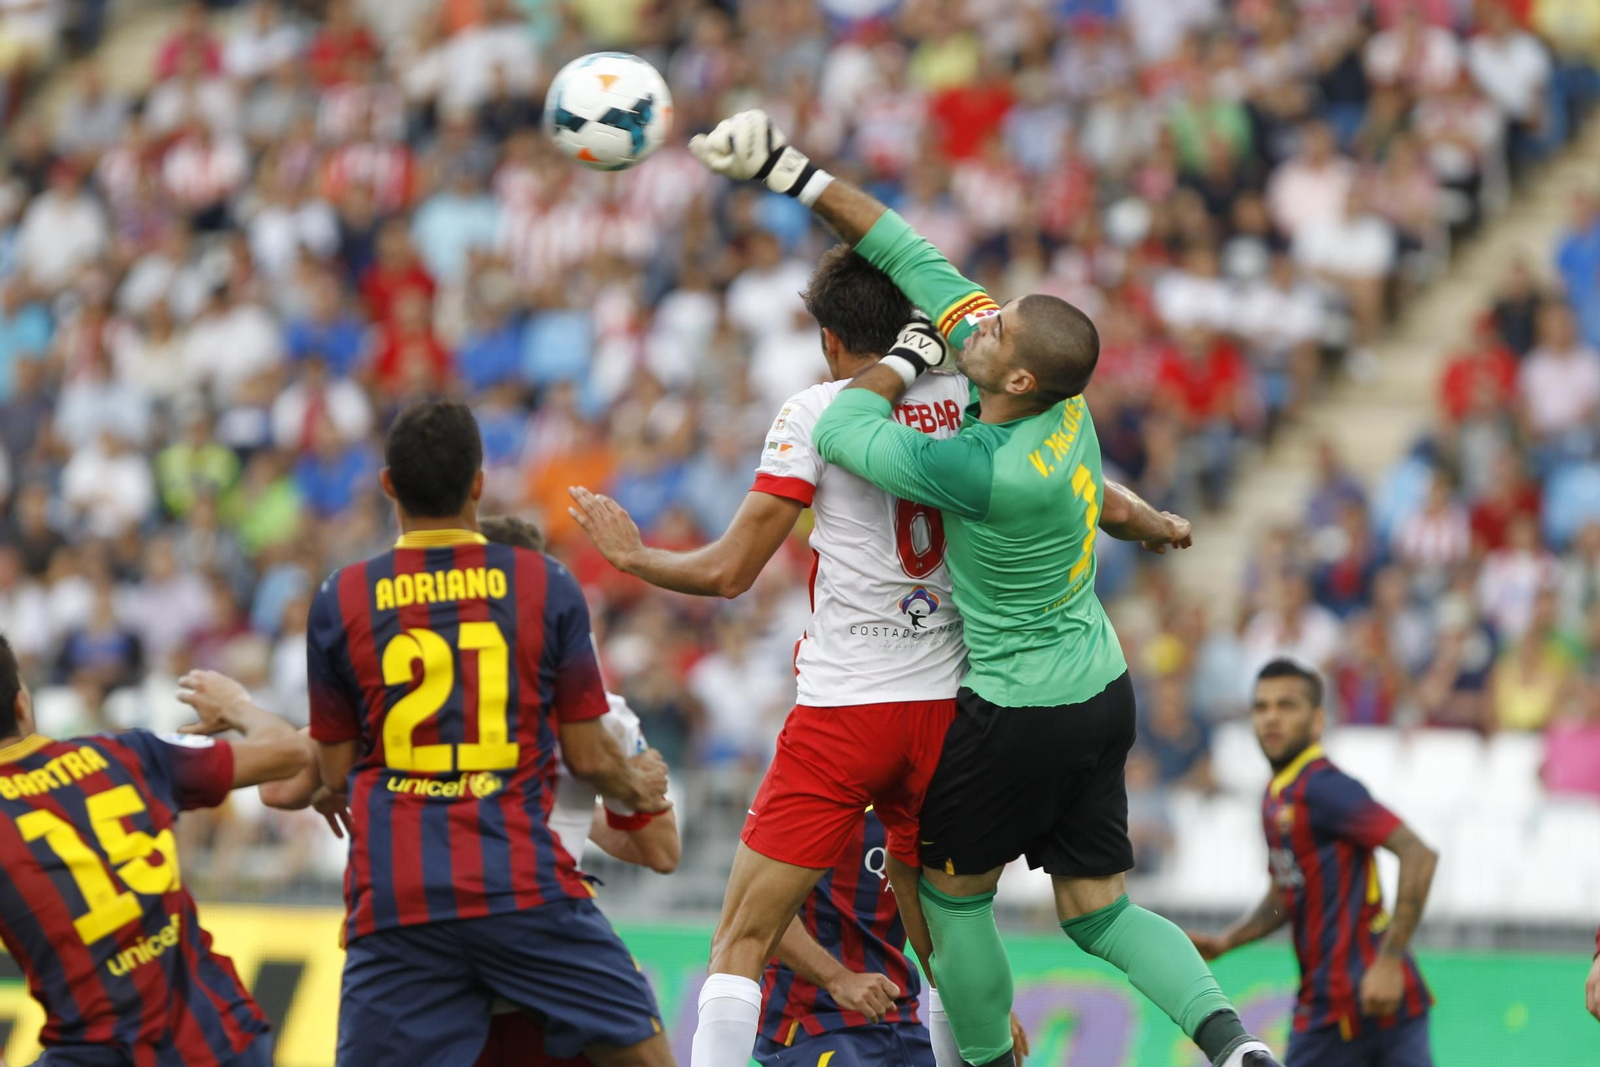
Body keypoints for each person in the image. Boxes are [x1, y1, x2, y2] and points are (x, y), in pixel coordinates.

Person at [682, 108, 1276, 1067]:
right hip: (1102, 689)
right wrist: (792, 172)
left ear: (1022, 373)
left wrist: (904, 359)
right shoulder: (1062, 410)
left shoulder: (981, 465)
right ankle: (1233, 1044)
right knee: (1103, 911)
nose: (974, 320)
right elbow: (902, 244)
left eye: (990, 329)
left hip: (1010, 711)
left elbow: (844, 432)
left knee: (950, 907)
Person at [568, 244, 1189, 1067]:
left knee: (742, 934)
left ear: (831, 341)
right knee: (943, 943)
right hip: (960, 711)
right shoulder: (980, 395)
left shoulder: (817, 411)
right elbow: (1085, 488)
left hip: (849, 705)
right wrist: (1154, 521)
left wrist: (637, 557)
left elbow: (726, 572)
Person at [304, 400, 674, 1067]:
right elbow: (589, 757)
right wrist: (636, 784)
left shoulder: (341, 594)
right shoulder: (545, 583)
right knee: (646, 1056)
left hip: (396, 892)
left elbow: (331, 772)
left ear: (387, 484)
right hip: (518, 881)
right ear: (478, 481)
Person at [0, 637, 307, 1065]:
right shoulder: (124, 754)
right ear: (21, 706)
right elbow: (291, 751)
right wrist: (237, 705)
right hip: (225, 1042)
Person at [1188, 660, 1438, 1067]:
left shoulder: (1326, 787)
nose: (1271, 717)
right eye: (1262, 706)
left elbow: (1418, 855)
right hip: (1325, 1009)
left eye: (1287, 706)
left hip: (1383, 1000)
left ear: (1317, 719)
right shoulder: (1275, 797)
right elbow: (1286, 894)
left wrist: (1390, 960)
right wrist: (1228, 941)